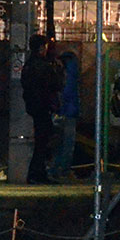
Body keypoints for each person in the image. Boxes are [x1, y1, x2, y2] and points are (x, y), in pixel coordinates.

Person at [21, 33, 62, 184]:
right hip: (44, 106)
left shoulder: (28, 65)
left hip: (34, 105)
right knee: (44, 140)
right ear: (41, 48)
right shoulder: (45, 66)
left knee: (41, 140)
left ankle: (38, 173)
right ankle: (36, 173)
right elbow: (56, 84)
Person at [51, 50, 81, 181]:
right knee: (68, 143)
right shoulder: (71, 74)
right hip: (68, 112)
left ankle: (56, 168)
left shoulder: (60, 73)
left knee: (59, 143)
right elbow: (69, 94)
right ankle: (63, 170)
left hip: (59, 113)